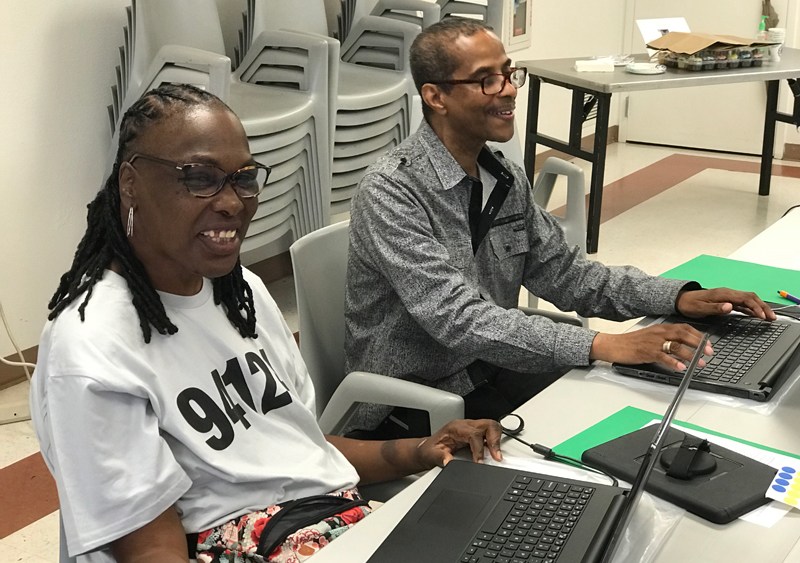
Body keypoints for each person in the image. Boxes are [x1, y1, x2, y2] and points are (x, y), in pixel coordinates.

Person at [29, 83, 503, 563]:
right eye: (199, 178)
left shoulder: (242, 293)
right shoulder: (95, 343)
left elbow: (298, 447)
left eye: (243, 178)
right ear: (130, 182)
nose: (233, 203)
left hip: (337, 523)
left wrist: (421, 449)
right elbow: (151, 548)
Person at [343, 18, 776, 437]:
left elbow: (569, 275)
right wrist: (603, 345)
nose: (509, 89)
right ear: (436, 97)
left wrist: (680, 296)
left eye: (510, 74)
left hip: (493, 369)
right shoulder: (391, 192)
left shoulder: (503, 177)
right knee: (603, 432)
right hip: (416, 404)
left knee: (644, 405)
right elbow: (457, 320)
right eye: (486, 79)